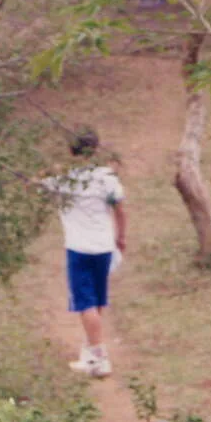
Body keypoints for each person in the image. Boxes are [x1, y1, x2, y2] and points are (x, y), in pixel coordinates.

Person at [42, 129, 127, 379]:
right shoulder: (106, 178)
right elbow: (121, 209)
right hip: (103, 246)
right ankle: (90, 352)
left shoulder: (65, 180)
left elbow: (35, 182)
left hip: (79, 248)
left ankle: (100, 357)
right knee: (97, 299)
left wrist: (54, 167)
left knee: (85, 303)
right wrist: (121, 237)